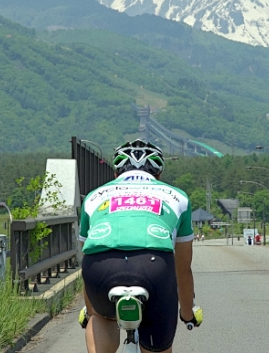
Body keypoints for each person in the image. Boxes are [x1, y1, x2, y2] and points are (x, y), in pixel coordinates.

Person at [78, 139, 201, 353]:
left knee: (101, 318)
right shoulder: (178, 197)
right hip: (154, 268)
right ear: (159, 175)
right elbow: (183, 269)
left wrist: (91, 314)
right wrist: (188, 313)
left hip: (99, 269)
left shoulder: (93, 197)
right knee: (156, 345)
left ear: (115, 174)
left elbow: (88, 254)